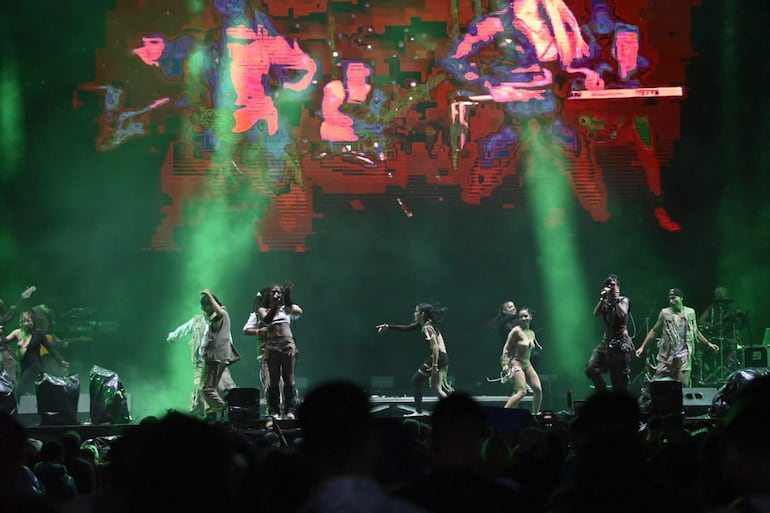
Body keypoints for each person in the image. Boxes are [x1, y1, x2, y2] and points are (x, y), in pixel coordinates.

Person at [635, 288, 718, 386]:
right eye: (670, 298)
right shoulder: (665, 313)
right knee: (658, 383)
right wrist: (642, 347)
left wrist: (708, 343)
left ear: (681, 298)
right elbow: (654, 330)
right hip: (667, 355)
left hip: (684, 355)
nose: (671, 301)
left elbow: (695, 331)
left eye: (674, 298)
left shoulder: (690, 312)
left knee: (684, 384)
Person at [376, 304, 450, 415]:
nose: (414, 314)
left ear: (422, 314)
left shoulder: (427, 327)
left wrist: (434, 365)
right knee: (437, 389)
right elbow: (407, 328)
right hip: (443, 357)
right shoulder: (425, 324)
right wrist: (388, 326)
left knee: (416, 381)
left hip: (438, 357)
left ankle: (419, 412)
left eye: (416, 312)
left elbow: (435, 346)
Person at [167, 312, 236, 417]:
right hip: (201, 362)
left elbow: (228, 340)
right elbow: (184, 328)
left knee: (224, 387)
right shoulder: (197, 321)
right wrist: (173, 336)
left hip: (217, 361)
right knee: (201, 390)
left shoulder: (220, 322)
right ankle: (210, 413)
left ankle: (230, 409)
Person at [257, 282, 302, 420]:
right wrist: (275, 306)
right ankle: (274, 411)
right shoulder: (263, 309)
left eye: (279, 292)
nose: (276, 294)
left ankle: (290, 410)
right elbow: (267, 320)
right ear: (268, 295)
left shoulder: (285, 308)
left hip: (287, 344)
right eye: (273, 292)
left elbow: (298, 311)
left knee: (289, 377)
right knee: (274, 379)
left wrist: (287, 297)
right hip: (272, 345)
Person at [3, 310, 69, 398]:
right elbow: (4, 341)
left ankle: (14, 407)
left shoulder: (38, 334)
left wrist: (60, 360)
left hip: (35, 366)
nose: (26, 323)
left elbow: (50, 348)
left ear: (33, 321)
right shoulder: (17, 333)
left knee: (19, 390)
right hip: (24, 367)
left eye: (28, 321)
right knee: (33, 392)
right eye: (23, 321)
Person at [585, 275, 633, 392]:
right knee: (591, 368)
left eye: (613, 285)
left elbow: (622, 314)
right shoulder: (605, 302)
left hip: (621, 343)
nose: (610, 287)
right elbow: (596, 314)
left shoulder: (623, 300)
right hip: (606, 343)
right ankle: (603, 391)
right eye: (608, 285)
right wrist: (603, 299)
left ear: (618, 287)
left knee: (618, 382)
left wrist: (615, 299)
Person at [199, 290, 240, 421]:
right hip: (214, 357)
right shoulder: (214, 319)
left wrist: (209, 295)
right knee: (208, 388)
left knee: (206, 389)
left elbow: (220, 312)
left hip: (217, 357)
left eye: (206, 306)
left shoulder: (222, 314)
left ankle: (224, 409)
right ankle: (220, 409)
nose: (203, 309)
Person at [501, 308, 543, 413]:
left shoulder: (531, 333)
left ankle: (535, 414)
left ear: (530, 317)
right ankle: (502, 414)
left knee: (538, 389)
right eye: (521, 317)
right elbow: (506, 348)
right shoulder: (516, 331)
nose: (523, 319)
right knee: (522, 391)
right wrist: (505, 364)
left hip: (527, 364)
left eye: (525, 316)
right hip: (516, 363)